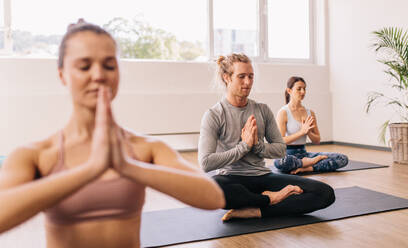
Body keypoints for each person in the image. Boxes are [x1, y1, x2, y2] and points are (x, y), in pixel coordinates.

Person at [0, 21, 225, 248]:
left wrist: (127, 166)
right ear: (62, 75)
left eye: (109, 66)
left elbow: (213, 197)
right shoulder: (36, 155)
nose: (98, 75)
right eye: (84, 66)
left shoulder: (145, 148)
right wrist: (90, 170)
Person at [198, 53, 335, 221]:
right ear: (227, 78)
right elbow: (205, 163)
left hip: (263, 177)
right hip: (232, 180)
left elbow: (280, 149)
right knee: (213, 187)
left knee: (325, 193)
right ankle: (270, 199)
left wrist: (257, 146)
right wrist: (244, 147)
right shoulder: (214, 115)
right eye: (241, 77)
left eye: (251, 76)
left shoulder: (262, 110)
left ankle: (257, 210)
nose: (248, 82)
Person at [274, 76, 348, 174]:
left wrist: (308, 132)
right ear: (289, 91)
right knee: (279, 162)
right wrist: (302, 132)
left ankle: (307, 167)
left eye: (304, 89)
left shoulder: (310, 113)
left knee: (342, 159)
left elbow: (317, 140)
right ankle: (304, 163)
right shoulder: (283, 112)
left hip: (305, 154)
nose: (303, 92)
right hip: (288, 155)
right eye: (299, 89)